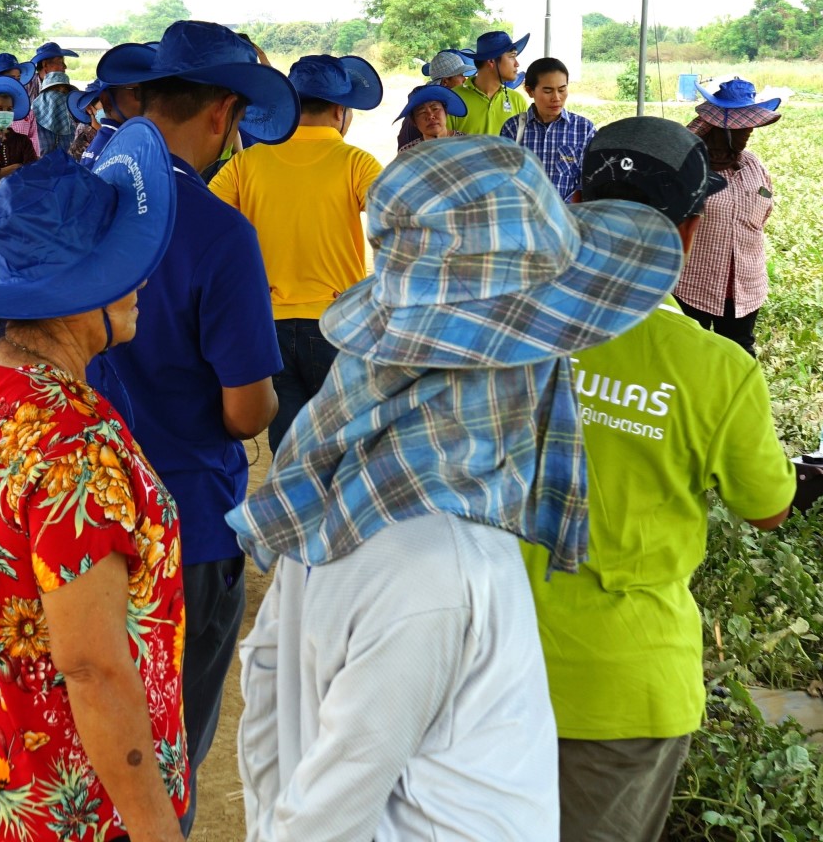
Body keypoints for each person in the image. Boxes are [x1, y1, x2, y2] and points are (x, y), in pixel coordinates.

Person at [230, 137, 685, 842]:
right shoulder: (439, 566)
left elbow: (263, 691)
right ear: (506, 368)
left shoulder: (336, 502)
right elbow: (325, 814)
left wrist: (262, 818)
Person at [524, 117, 796, 842]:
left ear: (575, 208)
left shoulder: (506, 329)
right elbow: (766, 508)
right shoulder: (716, 371)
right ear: (689, 230)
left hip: (489, 665)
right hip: (626, 686)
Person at [93, 20, 300, 833]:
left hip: (72, 515)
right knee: (168, 743)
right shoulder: (217, 232)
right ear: (222, 113)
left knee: (80, 726)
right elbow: (245, 410)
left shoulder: (81, 197)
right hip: (187, 524)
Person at [0, 119, 186, 842]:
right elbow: (95, 667)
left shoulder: (4, 386)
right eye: (123, 264)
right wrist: (155, 828)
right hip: (73, 802)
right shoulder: (75, 437)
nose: (141, 279)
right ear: (79, 289)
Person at [210, 55, 384, 452]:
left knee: (288, 447)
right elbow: (407, 223)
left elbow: (205, 223)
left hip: (265, 321)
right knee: (342, 444)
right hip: (336, 321)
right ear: (341, 112)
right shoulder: (356, 162)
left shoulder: (248, 162)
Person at [674, 78, 782, 357]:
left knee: (739, 355)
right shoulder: (690, 166)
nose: (748, 133)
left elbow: (763, 213)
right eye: (741, 127)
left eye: (749, 127)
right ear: (720, 129)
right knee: (687, 354)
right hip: (693, 282)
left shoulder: (752, 165)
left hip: (745, 285)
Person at [500, 57, 596, 201]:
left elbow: (590, 181)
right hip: (524, 218)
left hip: (567, 218)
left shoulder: (584, 129)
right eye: (547, 91)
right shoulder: (513, 128)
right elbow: (503, 178)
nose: (556, 98)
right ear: (530, 91)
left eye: (562, 89)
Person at [395, 47, 475, 150]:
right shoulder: (411, 147)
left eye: (435, 109)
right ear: (445, 81)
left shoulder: (465, 140)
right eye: (460, 75)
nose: (464, 79)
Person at [454, 30, 530, 136]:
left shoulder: (518, 101)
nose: (517, 64)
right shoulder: (453, 99)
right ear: (491, 61)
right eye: (512, 56)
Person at [0, 75, 39, 190]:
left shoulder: (23, 141)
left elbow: (32, 172)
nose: (5, 113)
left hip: (16, 201)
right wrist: (11, 169)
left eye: (9, 109)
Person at [394, 82, 468, 151]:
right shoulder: (408, 153)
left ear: (445, 112)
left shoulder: (468, 143)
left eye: (435, 108)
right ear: (414, 122)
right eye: (422, 112)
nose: (430, 116)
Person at [31, 70, 78, 156]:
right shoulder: (31, 122)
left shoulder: (69, 125)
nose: (59, 96)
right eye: (56, 90)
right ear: (44, 95)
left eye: (64, 92)